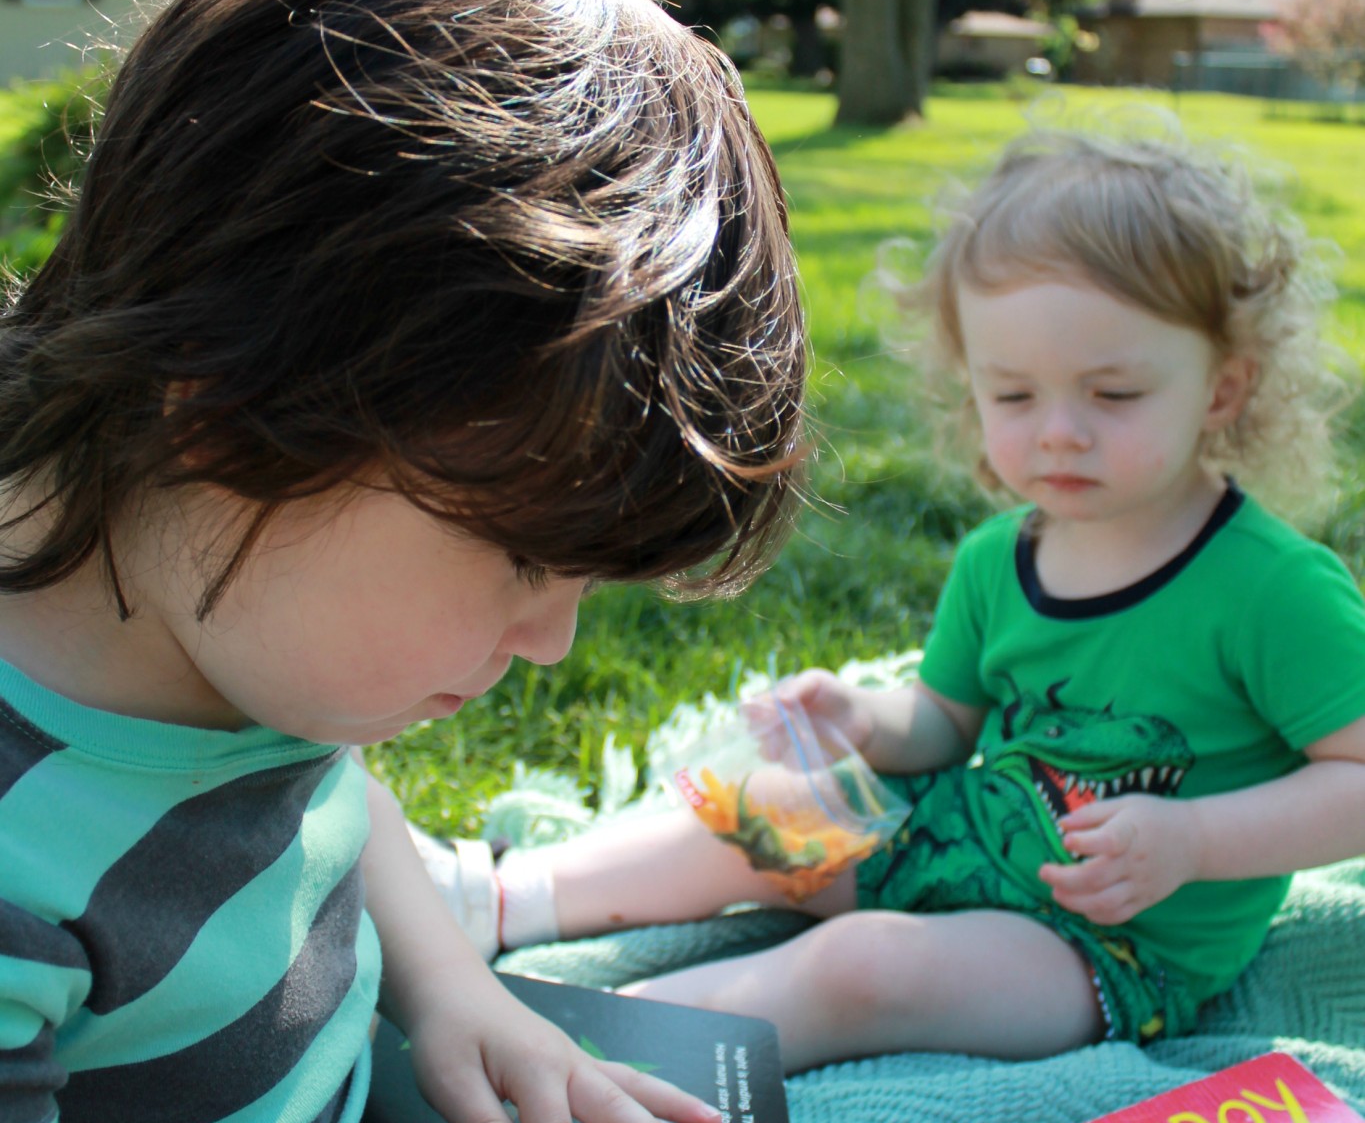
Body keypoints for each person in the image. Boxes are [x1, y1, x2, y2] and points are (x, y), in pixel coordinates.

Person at [0, 0, 807, 1123]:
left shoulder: (229, 602)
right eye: (522, 556)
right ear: (237, 410)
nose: (555, 643)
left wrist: (453, 988)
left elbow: (324, 781)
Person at [457, 128, 1365, 1072]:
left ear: (1223, 388)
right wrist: (867, 720)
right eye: (1012, 396)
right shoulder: (997, 559)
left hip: (1109, 948)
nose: (1059, 434)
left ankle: (599, 1056)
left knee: (866, 967)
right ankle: (496, 900)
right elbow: (943, 722)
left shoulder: (1272, 590)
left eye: (1113, 393)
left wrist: (1193, 839)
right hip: (962, 843)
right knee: (768, 809)